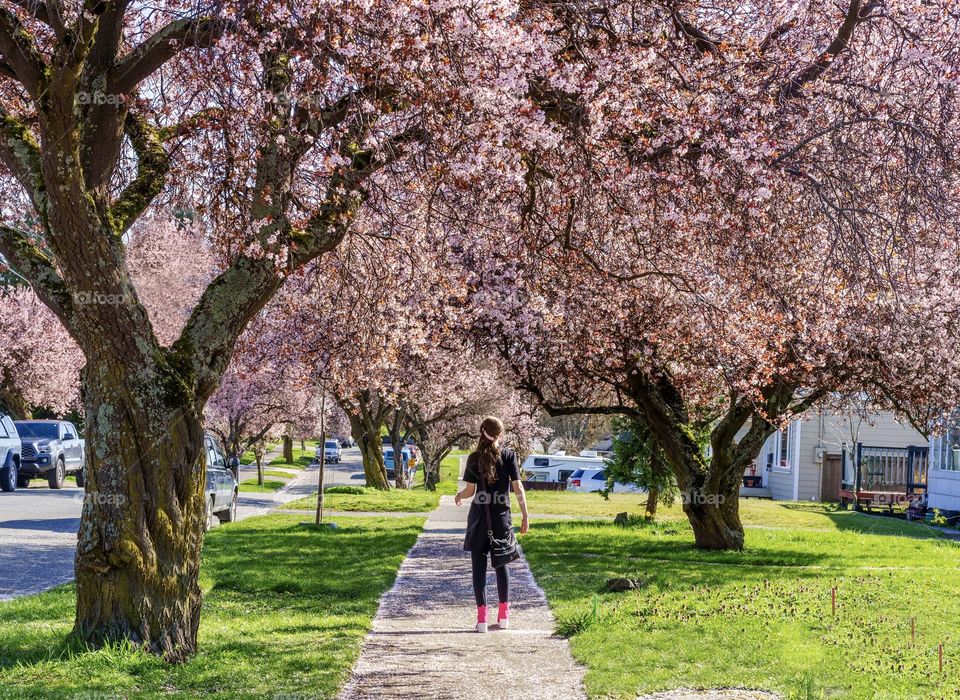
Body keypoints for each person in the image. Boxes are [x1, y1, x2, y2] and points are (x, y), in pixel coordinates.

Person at [454, 416, 529, 632]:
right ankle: (504, 616)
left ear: (482, 432)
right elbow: (518, 488)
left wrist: (459, 495)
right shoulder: (508, 456)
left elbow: (470, 491)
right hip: (501, 518)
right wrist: (525, 515)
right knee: (501, 563)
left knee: (478, 567)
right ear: (500, 435)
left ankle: (482, 619)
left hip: (479, 517)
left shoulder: (473, 458)